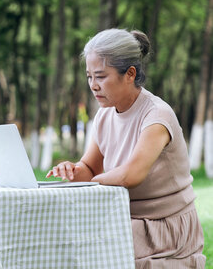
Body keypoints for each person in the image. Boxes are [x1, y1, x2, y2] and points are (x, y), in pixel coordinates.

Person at [47, 29, 205, 268]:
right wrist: (72, 171)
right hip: (126, 219)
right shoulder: (105, 115)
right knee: (60, 239)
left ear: (130, 74)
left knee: (82, 247)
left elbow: (131, 175)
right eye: (89, 76)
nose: (93, 85)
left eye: (101, 76)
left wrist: (85, 186)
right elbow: (90, 167)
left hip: (164, 226)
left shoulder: (156, 115)